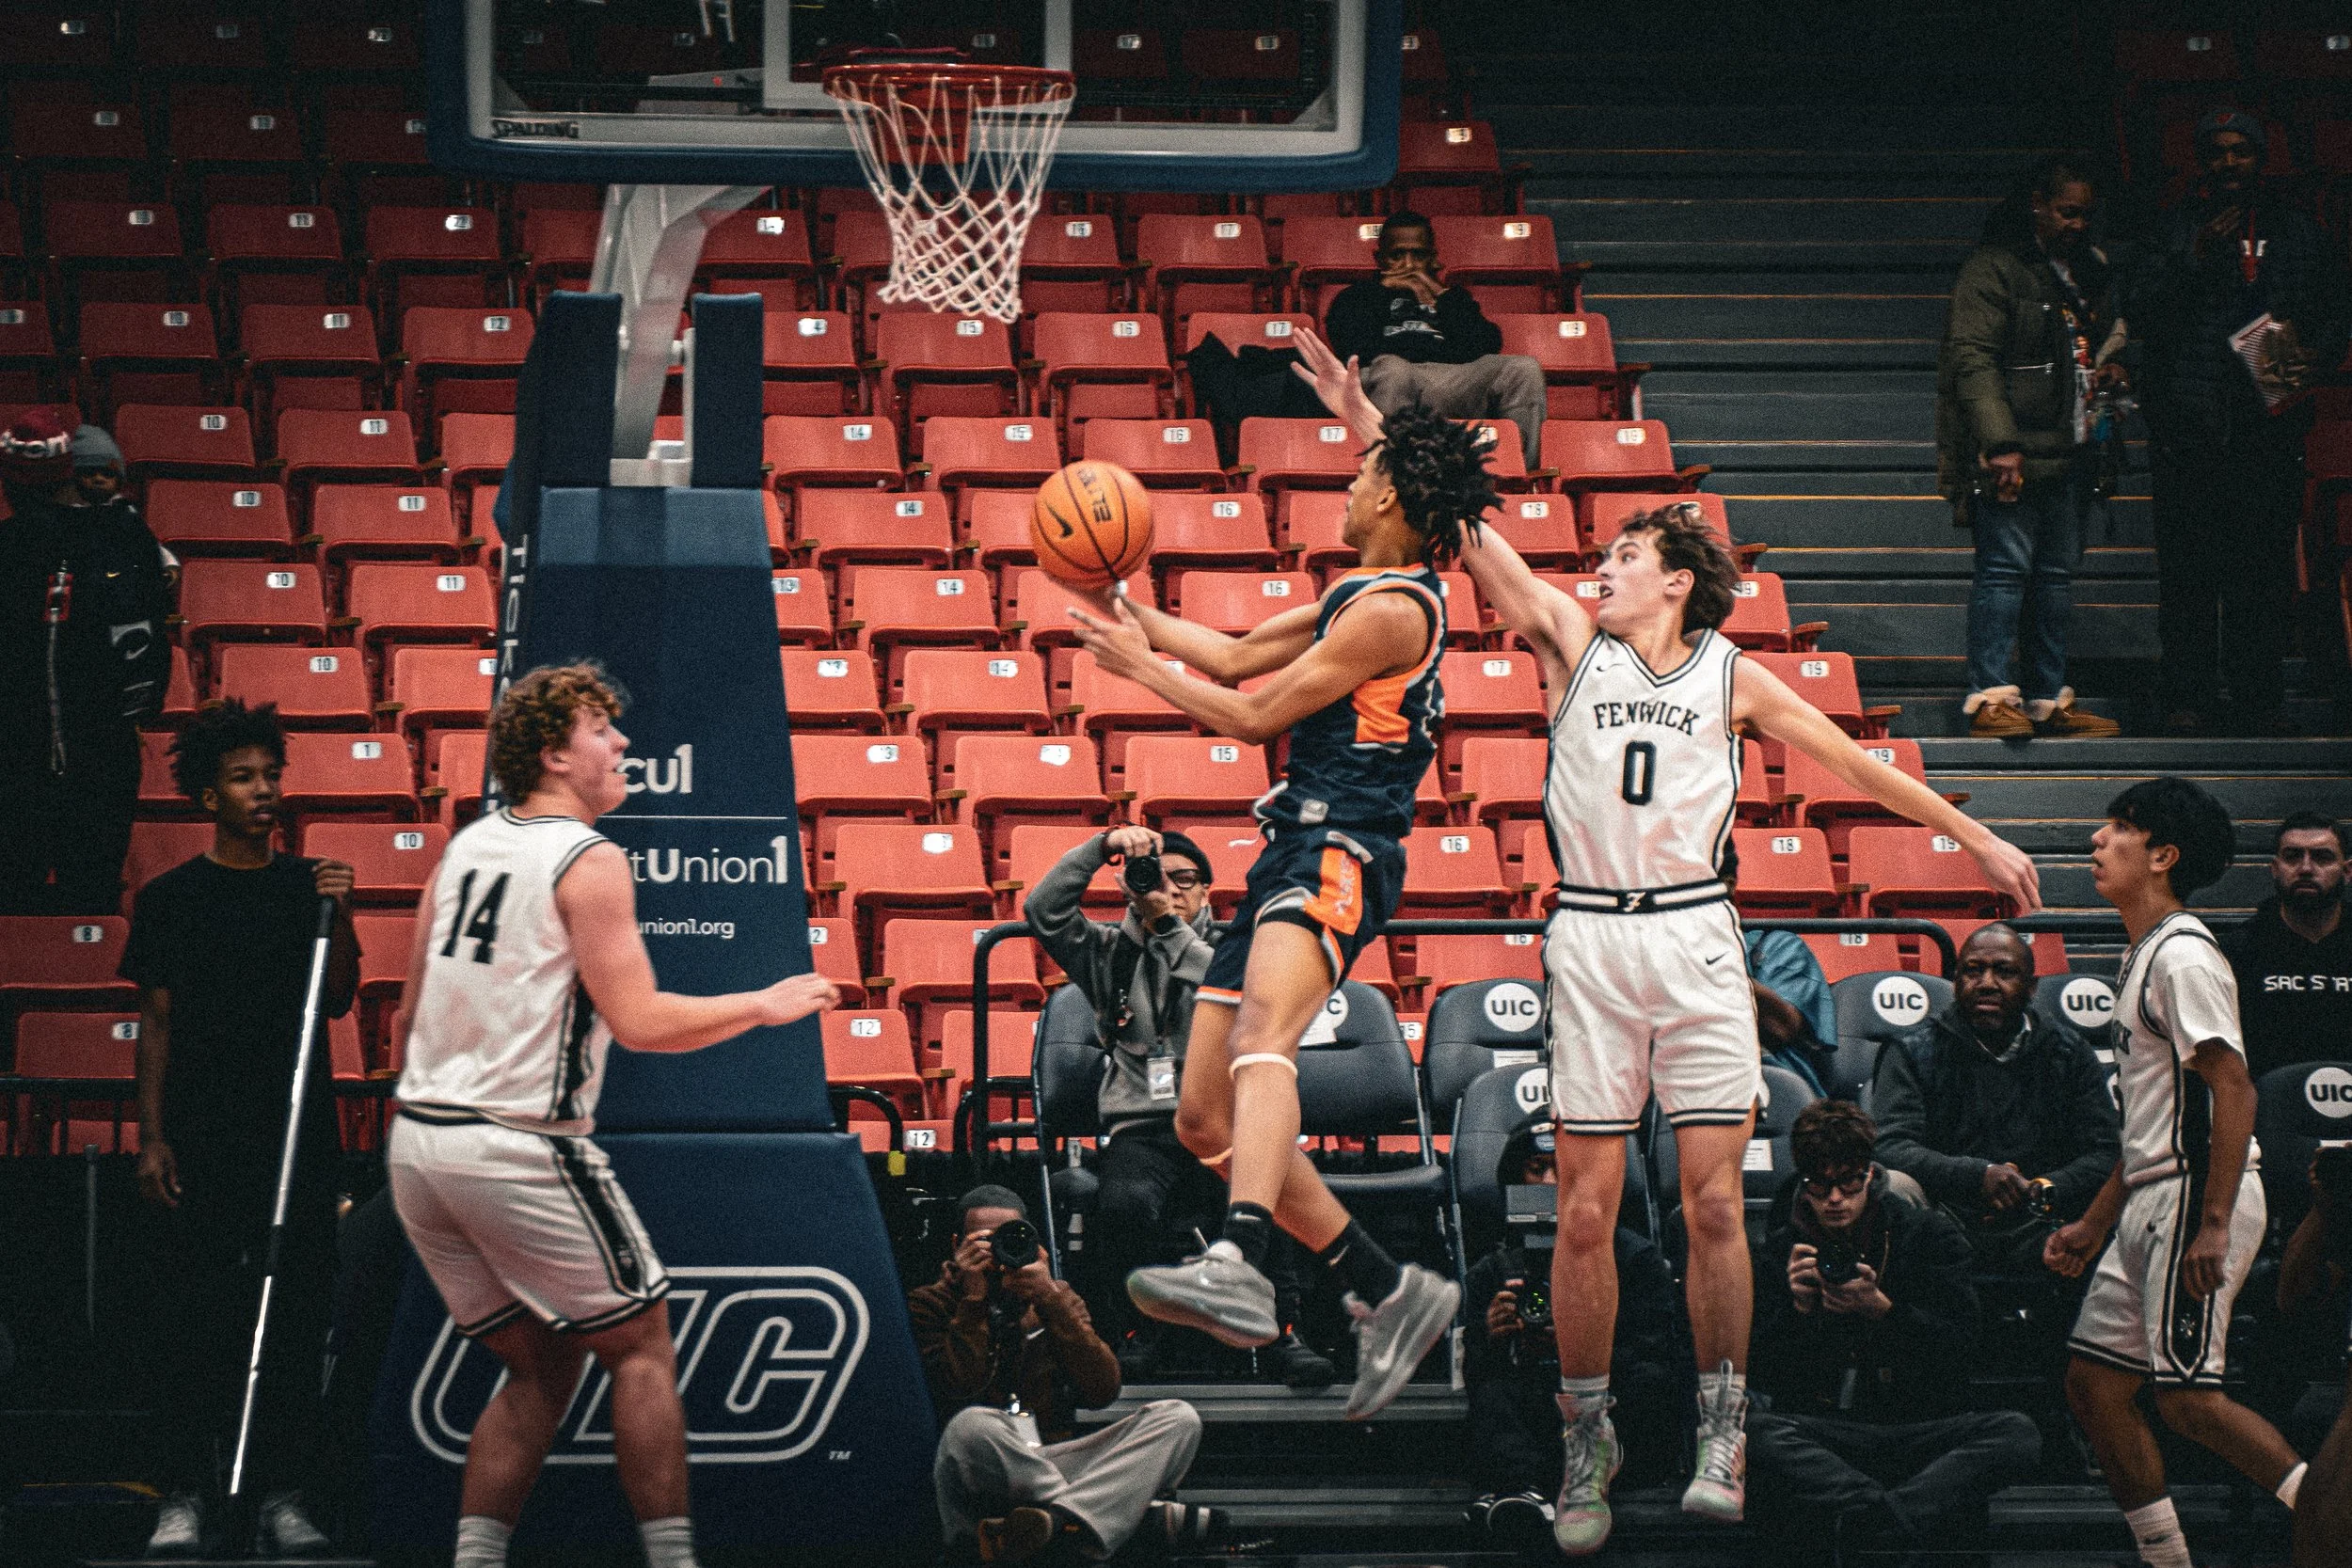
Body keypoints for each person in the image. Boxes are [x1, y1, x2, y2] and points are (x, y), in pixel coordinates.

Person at [1289, 326, 2042, 1551]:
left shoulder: (1731, 674)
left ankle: (1726, 1422)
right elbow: (1461, 526)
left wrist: (1980, 839)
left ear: (1676, 579)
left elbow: (1853, 762)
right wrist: (1357, 420)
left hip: (1696, 934)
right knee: (1583, 1207)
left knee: (1709, 1209)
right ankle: (1588, 1435)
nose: (1601, 566)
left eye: (1625, 555)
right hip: (1591, 933)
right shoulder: (1563, 643)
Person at [1065, 402, 1486, 1422]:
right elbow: (1239, 656)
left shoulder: (1396, 611)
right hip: (1288, 850)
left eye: (1356, 472)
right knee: (1204, 1112)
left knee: (1265, 1039)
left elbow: (1252, 714)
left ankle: (1241, 1256)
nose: (1342, 486)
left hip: (1341, 849)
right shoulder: (1358, 596)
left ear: (1390, 494)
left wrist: (1139, 673)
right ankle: (1391, 1286)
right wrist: (1128, 606)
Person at [385, 663, 840, 1568]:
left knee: (541, 1364)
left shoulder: (467, 847)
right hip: (513, 1143)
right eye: (602, 729)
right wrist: (765, 1001)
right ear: (554, 752)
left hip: (418, 1148)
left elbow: (404, 1017)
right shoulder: (586, 858)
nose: (624, 744)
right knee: (640, 1345)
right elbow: (641, 1022)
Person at [2043, 777, 2307, 1568]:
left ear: (2162, 855)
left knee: (2189, 1398)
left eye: (2118, 828)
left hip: (2196, 1194)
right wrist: (2093, 1222)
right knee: (2093, 1386)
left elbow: (2234, 1087)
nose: (2097, 839)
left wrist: (2216, 1221)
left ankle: (2332, 1510)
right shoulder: (2144, 953)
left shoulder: (2186, 954)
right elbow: (2154, 1121)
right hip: (2156, 1192)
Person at [123, 700, 360, 1557]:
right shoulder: (172, 899)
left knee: (293, 1321)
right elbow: (157, 1023)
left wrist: (342, 912)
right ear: (207, 795)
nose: (264, 791)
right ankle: (182, 1494)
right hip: (200, 1135)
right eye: (243, 777)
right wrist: (152, 1138)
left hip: (295, 1138)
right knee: (193, 1318)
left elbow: (335, 999)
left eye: (271, 775)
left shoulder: (311, 888)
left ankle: (282, 1495)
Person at [1023, 825, 1333, 1388]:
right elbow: (1042, 910)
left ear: (1208, 891)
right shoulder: (1107, 954)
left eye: (1185, 880)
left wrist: (1166, 927)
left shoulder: (1244, 949)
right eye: (1157, 880)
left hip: (1226, 1119)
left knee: (1269, 1197)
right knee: (1123, 1206)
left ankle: (1284, 1333)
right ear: (1130, 887)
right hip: (1145, 1124)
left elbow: (1234, 992)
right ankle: (1137, 1334)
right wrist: (1102, 847)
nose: (1170, 890)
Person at [2126, 111, 2350, 736]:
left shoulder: (2302, 234)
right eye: (2217, 153)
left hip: (2268, 426)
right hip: (2190, 427)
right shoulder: (2174, 230)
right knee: (2190, 574)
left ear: (2261, 160)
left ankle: (2258, 699)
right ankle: (2188, 697)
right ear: (2202, 163)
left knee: (2261, 574)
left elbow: (2336, 309)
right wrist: (2191, 260)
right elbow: (2139, 306)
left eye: (2241, 153)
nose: (2228, 164)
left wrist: (2318, 356)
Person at [1747, 1101, 2042, 1562]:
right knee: (1749, 1433)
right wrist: (1799, 1313)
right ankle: (1891, 1517)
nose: (1836, 1199)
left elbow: (1961, 1350)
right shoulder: (1781, 1252)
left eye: (1848, 1181)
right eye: (1820, 1185)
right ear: (1803, 1186)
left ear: (1869, 1176)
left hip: (1917, 1423)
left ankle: (1871, 1520)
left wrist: (1882, 1310)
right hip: (1829, 1429)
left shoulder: (1927, 1236)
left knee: (2016, 1432)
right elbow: (1765, 1377)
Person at [909, 1185, 1219, 1564]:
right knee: (972, 1425)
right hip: (981, 1469)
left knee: (1177, 1418)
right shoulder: (929, 1303)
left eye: (1008, 1238)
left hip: (1049, 1459)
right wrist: (974, 1301)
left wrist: (1049, 1301)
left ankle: (1054, 1524)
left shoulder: (1056, 1299)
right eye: (984, 1241)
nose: (997, 1252)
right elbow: (957, 1389)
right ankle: (1106, 1519)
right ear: (958, 1244)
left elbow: (1103, 1389)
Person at [1936, 154, 2124, 739]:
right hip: (2016, 448)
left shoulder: (2088, 270)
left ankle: (2046, 699)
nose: (2078, 223)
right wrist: (1999, 443)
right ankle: (1990, 696)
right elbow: (1972, 359)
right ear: (2037, 205)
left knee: (2055, 578)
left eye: (2086, 214)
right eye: (2067, 212)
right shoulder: (1993, 270)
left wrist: (2115, 368)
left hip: (2072, 448)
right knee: (2004, 571)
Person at [1463, 1128, 1686, 1550]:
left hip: (1613, 1412)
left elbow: (1660, 1349)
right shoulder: (1492, 1270)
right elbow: (1472, 1374)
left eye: (1563, 1171)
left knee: (1651, 1379)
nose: (1549, 1183)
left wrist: (1587, 1347)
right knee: (1494, 1392)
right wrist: (1490, 1337)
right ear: (1516, 1179)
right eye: (1537, 1169)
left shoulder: (1635, 1257)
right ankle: (1522, 1490)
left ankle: (1565, 1478)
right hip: (1535, 1408)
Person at [1870, 922, 2121, 1275]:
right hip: (1945, 1211)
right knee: (1892, 1186)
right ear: (1955, 982)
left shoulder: (2068, 1052)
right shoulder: (1912, 1051)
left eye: (2004, 972)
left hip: (2044, 1214)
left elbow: (2105, 1150)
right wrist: (1979, 1175)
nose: (1987, 983)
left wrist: (2046, 1187)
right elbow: (1889, 1146)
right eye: (1973, 971)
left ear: (2031, 987)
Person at [0, 412, 170, 912]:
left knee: (15, 911)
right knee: (87, 903)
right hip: (95, 756)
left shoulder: (115, 536)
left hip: (29, 760)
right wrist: (136, 709)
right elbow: (147, 638)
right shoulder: (123, 535)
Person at [1323, 211, 1546, 473]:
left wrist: (1440, 294)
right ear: (1379, 258)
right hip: (1384, 378)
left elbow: (1485, 344)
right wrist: (1382, 291)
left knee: (1523, 369)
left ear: (1432, 258)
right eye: (1397, 255)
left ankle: (1520, 475)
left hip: (1445, 379)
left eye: (1418, 255)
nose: (1408, 265)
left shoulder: (1451, 298)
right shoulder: (1357, 296)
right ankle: (1391, 478)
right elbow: (1355, 349)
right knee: (1394, 369)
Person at [2225, 813, 2352, 1080]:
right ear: (2275, 868)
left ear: (2347, 871)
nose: (2306, 868)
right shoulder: (2239, 951)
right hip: (2270, 1115)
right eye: (2293, 856)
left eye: (2322, 857)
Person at [1721, 840, 1837, 1094]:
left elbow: (1781, 1027)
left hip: (1779, 1090)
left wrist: (1706, 958)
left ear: (1727, 885)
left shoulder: (1777, 946)